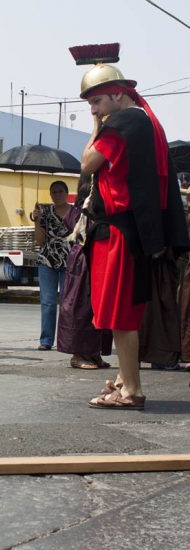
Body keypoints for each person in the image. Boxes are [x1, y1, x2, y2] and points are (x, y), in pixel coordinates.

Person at [78, 63, 189, 409]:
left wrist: (97, 125)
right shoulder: (144, 120)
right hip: (132, 232)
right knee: (125, 311)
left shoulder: (123, 123)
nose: (94, 111)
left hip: (119, 234)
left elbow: (87, 163)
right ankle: (125, 380)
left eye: (96, 102)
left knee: (120, 314)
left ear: (117, 94)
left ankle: (132, 391)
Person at [56, 175, 112, 369]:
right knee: (80, 308)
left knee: (98, 308)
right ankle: (77, 355)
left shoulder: (94, 208)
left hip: (95, 259)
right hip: (82, 263)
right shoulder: (80, 211)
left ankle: (94, 352)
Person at [31, 180, 72, 351]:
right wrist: (37, 221)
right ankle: (46, 340)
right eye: (54, 192)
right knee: (47, 302)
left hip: (70, 260)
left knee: (67, 302)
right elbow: (40, 241)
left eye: (60, 191)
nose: (57, 195)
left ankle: (67, 340)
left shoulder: (76, 212)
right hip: (47, 260)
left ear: (67, 193)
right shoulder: (45, 212)